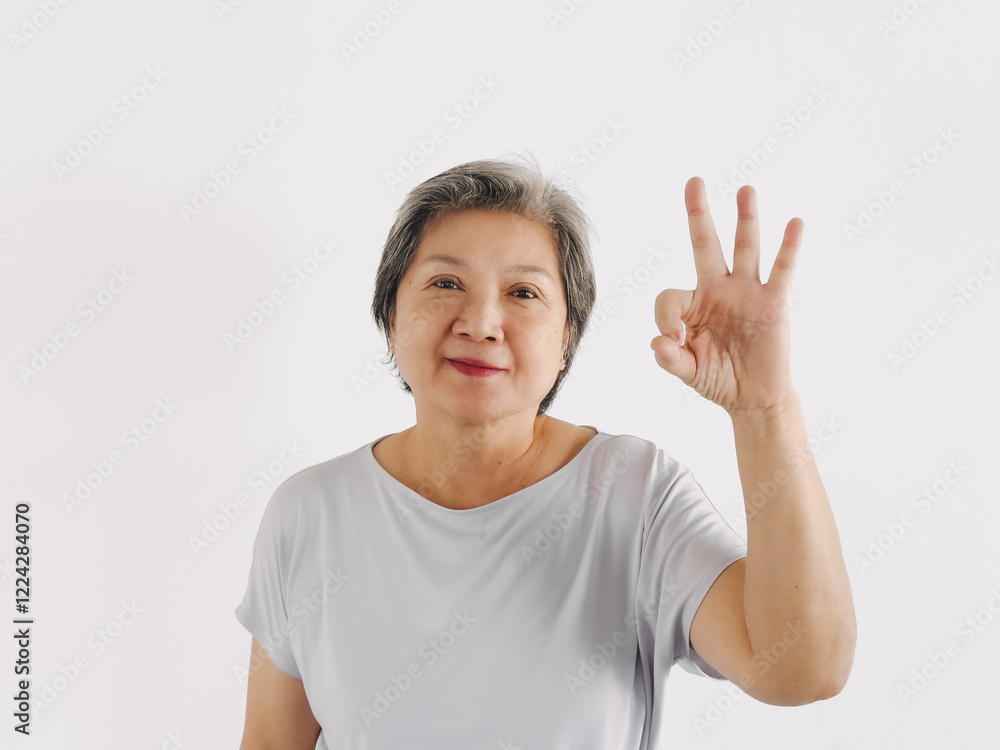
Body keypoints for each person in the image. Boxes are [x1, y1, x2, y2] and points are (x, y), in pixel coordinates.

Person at [235, 156, 856, 749]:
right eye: (446, 282)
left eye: (524, 293)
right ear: (390, 315)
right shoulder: (309, 514)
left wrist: (764, 412)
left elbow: (804, 668)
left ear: (567, 338)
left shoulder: (634, 495)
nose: (481, 323)